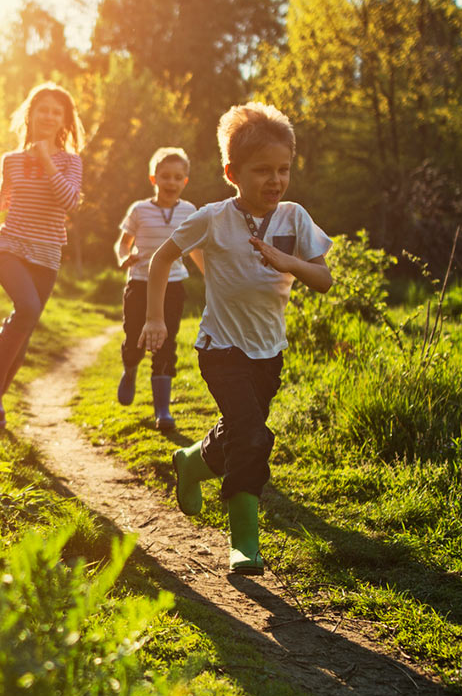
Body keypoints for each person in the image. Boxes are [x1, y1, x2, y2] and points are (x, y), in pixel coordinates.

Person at [137, 103, 332, 574]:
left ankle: (192, 462)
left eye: (283, 169)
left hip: (270, 352)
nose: (275, 180)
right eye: (262, 170)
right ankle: (244, 542)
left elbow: (324, 279)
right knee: (252, 435)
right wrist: (155, 319)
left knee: (241, 434)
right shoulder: (212, 217)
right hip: (221, 348)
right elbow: (161, 260)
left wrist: (291, 264)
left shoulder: (295, 218)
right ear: (232, 172)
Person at [0, 82, 86, 430]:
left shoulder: (70, 162)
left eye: (56, 112)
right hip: (10, 246)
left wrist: (48, 162)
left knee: (25, 328)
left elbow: (70, 202)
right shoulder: (11, 160)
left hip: (47, 254)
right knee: (28, 309)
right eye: (42, 109)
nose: (48, 115)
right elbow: (5, 200)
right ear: (30, 114)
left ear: (64, 121)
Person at [113, 147, 198, 432]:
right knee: (135, 337)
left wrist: (214, 274)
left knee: (166, 341)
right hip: (139, 283)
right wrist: (124, 257)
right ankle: (130, 368)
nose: (171, 182)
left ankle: (162, 409)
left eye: (177, 177)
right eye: (165, 176)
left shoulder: (190, 211)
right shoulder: (139, 210)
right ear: (154, 178)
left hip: (173, 286)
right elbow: (123, 242)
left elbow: (197, 248)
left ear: (185, 181)